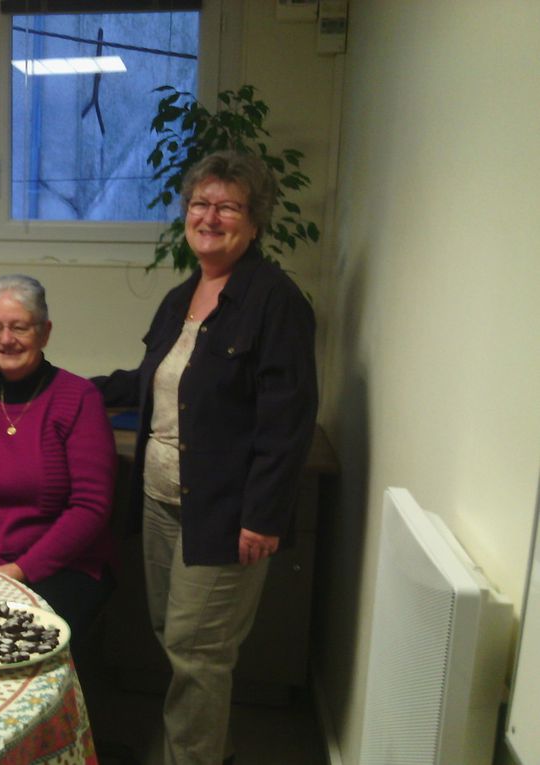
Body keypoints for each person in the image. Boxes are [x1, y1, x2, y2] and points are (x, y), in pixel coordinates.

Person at [93, 151, 318, 765]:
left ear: (253, 221)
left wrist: (263, 516)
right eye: (200, 203)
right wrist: (68, 386)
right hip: (162, 500)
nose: (210, 216)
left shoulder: (275, 301)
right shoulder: (182, 296)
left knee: (199, 653)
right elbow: (148, 378)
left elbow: (288, 419)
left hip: (224, 510)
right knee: (176, 639)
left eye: (228, 206)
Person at [0, 274, 117, 656]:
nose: (6, 339)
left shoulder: (79, 399)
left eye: (19, 327)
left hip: (58, 568)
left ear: (45, 332)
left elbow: (90, 507)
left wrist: (20, 571)